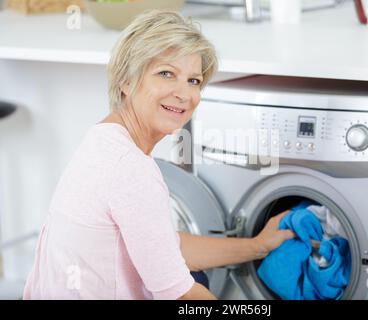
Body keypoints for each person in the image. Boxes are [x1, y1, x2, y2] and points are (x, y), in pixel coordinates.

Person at [23, 10, 294, 300]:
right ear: (126, 81)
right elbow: (181, 295)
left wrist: (257, 246)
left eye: (194, 80)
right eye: (166, 74)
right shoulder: (130, 169)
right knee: (196, 282)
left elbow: (162, 248)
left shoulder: (102, 139)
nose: (184, 93)